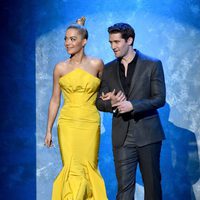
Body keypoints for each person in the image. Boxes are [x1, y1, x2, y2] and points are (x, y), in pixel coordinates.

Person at [96, 23, 166, 200]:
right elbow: (98, 102)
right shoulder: (108, 69)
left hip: (148, 134)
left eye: (117, 42)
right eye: (111, 42)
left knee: (152, 187)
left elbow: (159, 99)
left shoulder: (152, 64)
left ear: (130, 40)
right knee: (124, 189)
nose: (113, 46)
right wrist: (111, 104)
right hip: (122, 137)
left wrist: (132, 105)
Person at [44, 17, 107, 200]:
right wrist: (48, 130)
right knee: (72, 168)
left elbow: (105, 92)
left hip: (89, 122)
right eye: (65, 39)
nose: (67, 43)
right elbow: (55, 99)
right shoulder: (60, 68)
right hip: (68, 123)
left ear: (84, 41)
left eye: (72, 39)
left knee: (88, 166)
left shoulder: (97, 64)